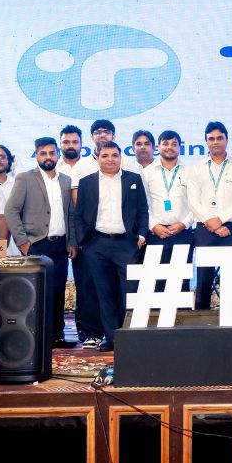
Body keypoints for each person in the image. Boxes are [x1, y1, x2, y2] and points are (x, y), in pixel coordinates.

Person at [72, 142, 149, 352]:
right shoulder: (86, 182)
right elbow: (78, 214)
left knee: (129, 292)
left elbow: (143, 210)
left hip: (126, 244)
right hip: (96, 244)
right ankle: (112, 338)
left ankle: (128, 336)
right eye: (105, 155)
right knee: (103, 293)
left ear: (120, 157)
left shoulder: (133, 179)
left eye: (115, 155)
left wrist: (141, 235)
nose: (110, 159)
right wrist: (84, 241)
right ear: (97, 158)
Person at [4, 137, 77, 349]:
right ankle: (35, 338)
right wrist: (23, 242)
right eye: (43, 153)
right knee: (36, 293)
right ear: (36, 155)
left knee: (58, 291)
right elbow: (11, 211)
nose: (48, 157)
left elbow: (71, 215)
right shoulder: (25, 178)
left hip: (60, 245)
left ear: (57, 154)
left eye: (52, 153)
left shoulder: (66, 180)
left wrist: (72, 241)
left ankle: (56, 336)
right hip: (36, 244)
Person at [187, 122, 232, 310]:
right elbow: (193, 201)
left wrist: (220, 220)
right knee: (204, 277)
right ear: (206, 142)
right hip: (204, 228)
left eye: (219, 138)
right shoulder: (196, 168)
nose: (215, 142)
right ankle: (201, 317)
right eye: (211, 139)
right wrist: (212, 223)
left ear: (226, 140)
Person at [56, 123, 101, 348]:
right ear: (60, 144)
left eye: (74, 141)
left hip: (87, 235)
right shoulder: (53, 169)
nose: (70, 145)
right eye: (66, 142)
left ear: (82, 144)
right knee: (63, 285)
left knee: (89, 283)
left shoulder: (91, 166)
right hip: (59, 235)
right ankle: (63, 331)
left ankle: (89, 330)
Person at [141, 130, 194, 289]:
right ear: (158, 147)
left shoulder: (190, 171)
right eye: (165, 143)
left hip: (183, 233)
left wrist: (184, 224)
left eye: (174, 144)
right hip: (156, 234)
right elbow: (142, 205)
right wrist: (154, 226)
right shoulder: (147, 172)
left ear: (179, 147)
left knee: (181, 280)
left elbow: (196, 203)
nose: (169, 147)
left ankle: (182, 307)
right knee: (156, 281)